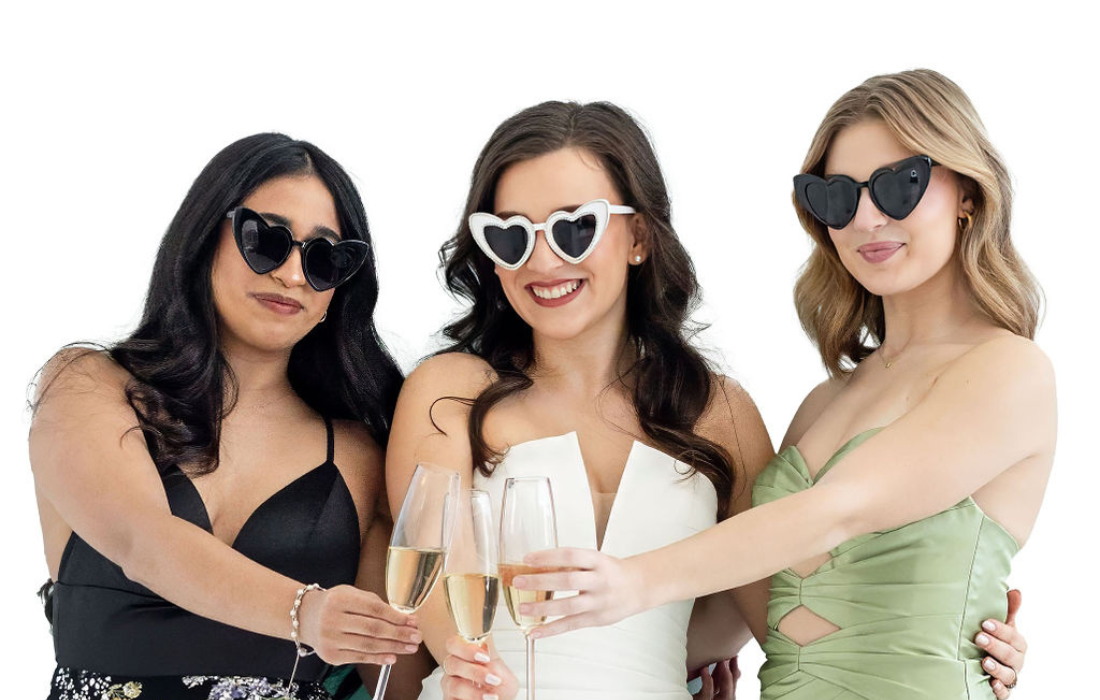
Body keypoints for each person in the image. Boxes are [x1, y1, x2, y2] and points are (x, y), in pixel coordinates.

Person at [386, 100, 1025, 700]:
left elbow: (777, 597)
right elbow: (432, 574)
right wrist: (462, 659)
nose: (543, 260)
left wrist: (963, 634)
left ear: (638, 237)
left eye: (575, 228)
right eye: (511, 236)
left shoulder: (720, 411)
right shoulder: (450, 391)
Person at [30, 133, 426, 700]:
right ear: (203, 238)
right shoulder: (88, 385)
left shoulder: (360, 450)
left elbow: (388, 672)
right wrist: (306, 614)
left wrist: (454, 679)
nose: (293, 274)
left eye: (324, 258)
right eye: (266, 239)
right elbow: (144, 543)